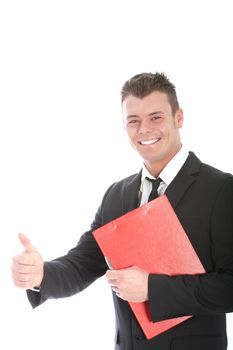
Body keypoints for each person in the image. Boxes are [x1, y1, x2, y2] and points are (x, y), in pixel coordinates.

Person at [12, 72, 233, 350]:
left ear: (179, 118)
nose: (144, 130)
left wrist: (152, 289)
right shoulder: (116, 195)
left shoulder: (221, 189)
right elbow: (84, 263)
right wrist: (41, 275)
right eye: (133, 121)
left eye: (156, 117)